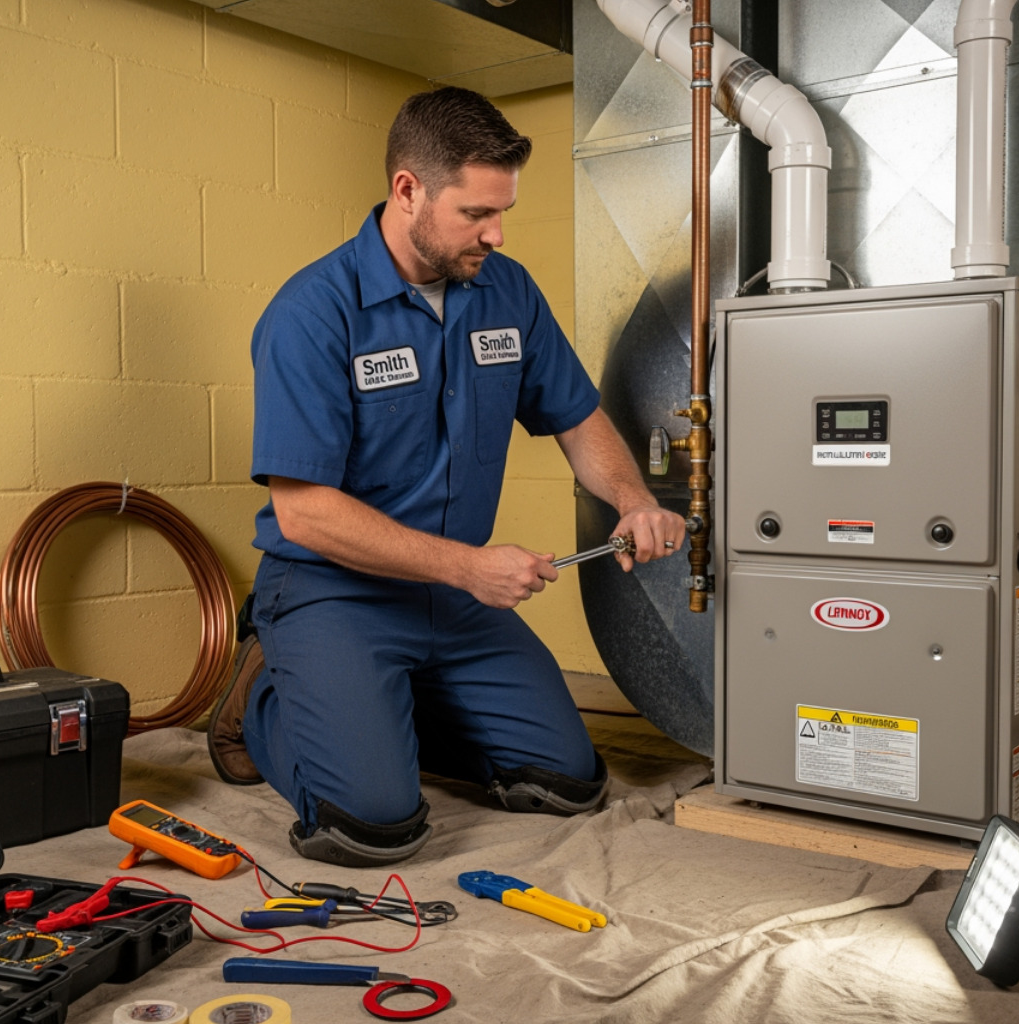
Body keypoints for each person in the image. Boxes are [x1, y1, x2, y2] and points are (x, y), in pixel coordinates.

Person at [208, 87, 687, 866]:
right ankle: (266, 694)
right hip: (335, 589)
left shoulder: (507, 290)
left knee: (566, 782)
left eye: (503, 212)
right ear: (408, 190)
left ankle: (377, 706)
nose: (496, 233)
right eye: (475, 214)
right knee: (370, 825)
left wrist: (634, 500)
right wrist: (472, 567)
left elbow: (575, 416)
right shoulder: (313, 313)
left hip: (451, 594)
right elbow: (306, 517)